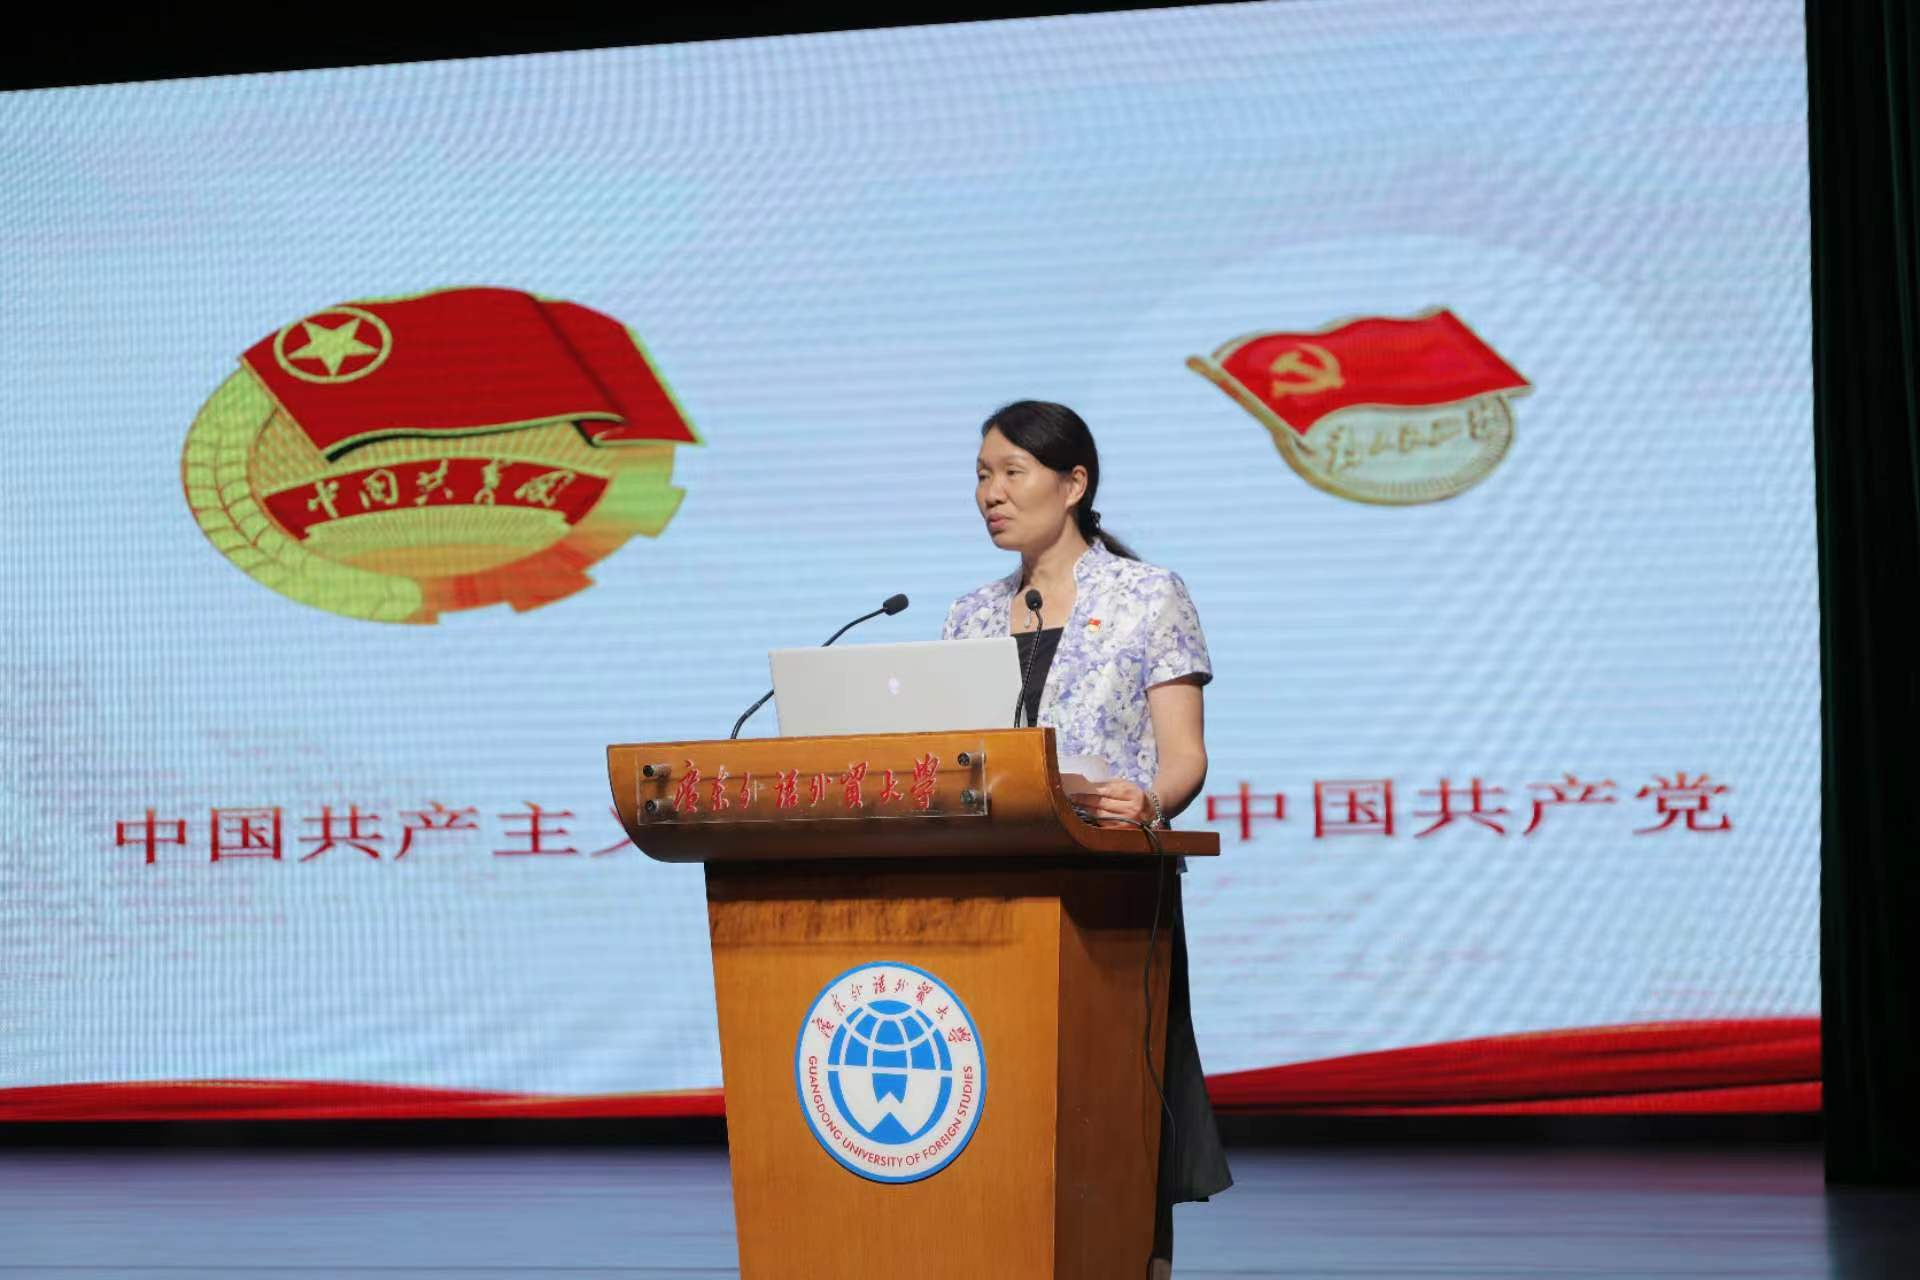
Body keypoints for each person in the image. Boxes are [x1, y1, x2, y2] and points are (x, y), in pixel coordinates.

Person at [940, 400, 1232, 1277]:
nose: (991, 493)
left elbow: (1185, 757)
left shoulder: (1147, 596)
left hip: (1109, 885)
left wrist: (1148, 801)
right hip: (993, 892)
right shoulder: (969, 617)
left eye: (1012, 473)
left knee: (1112, 1110)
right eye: (981, 475)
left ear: (1074, 484)